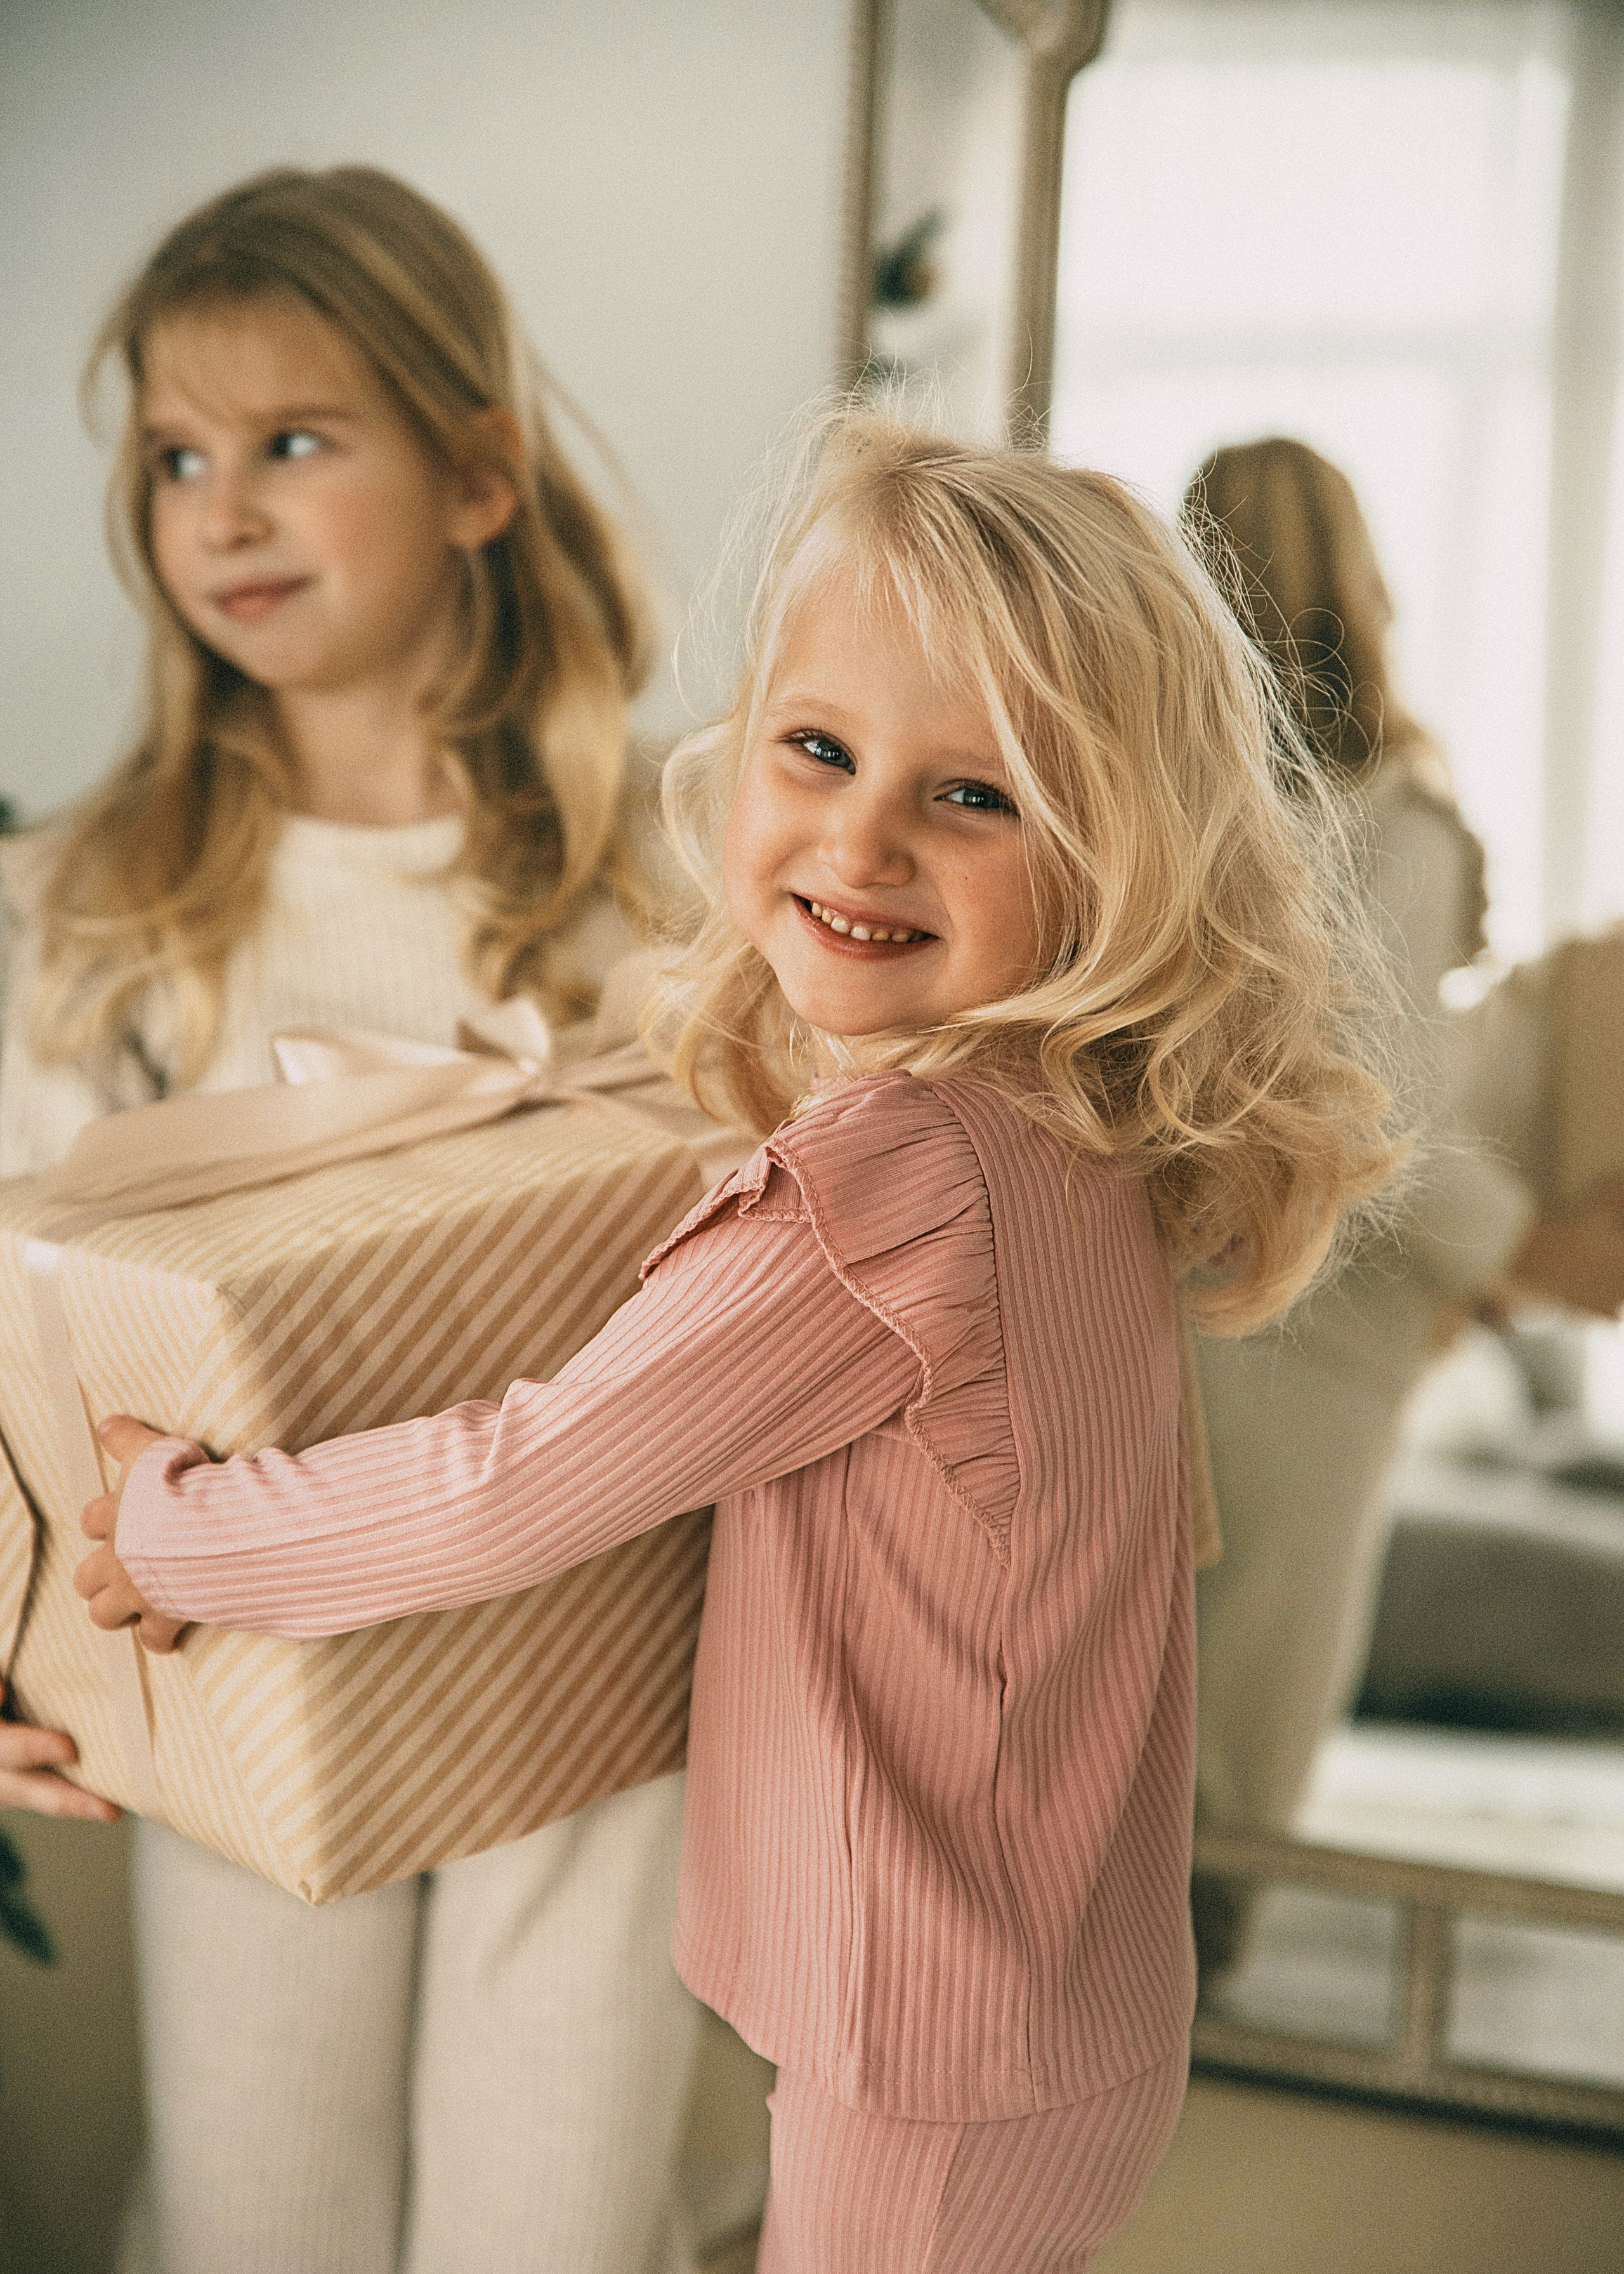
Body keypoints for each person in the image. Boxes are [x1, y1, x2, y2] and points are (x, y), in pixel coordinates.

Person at [79, 413, 1403, 2271]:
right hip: (1065, 1999)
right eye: (819, 749)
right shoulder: (1075, 1135)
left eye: (975, 794)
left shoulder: (891, 1191)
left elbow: (513, 1486)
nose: (861, 836)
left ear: (1115, 858)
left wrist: (176, 1527)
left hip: (929, 2043)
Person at [0, 166, 701, 2274]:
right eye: (175, 459)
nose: (221, 511)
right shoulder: (91, 907)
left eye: (293, 441)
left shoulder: (679, 875)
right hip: (234, 1665)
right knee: (258, 2220)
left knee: (559, 2225)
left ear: (479, 474)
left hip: (606, 1676)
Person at [1180, 438, 1624, 1966]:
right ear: (1356, 585)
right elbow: (1380, 1107)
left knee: (1143, 1702)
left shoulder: (1171, 809)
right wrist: (1533, 1252)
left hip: (1167, 1293)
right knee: (1247, 1723)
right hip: (1317, 1328)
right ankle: (1191, 2007)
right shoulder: (1393, 819)